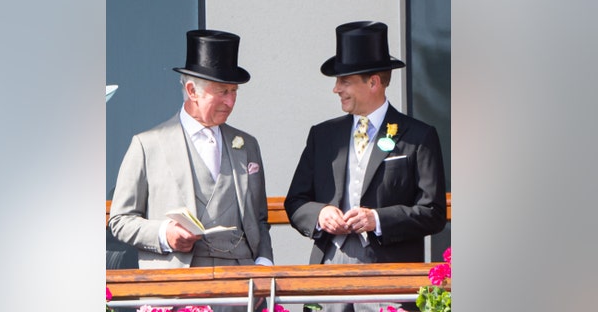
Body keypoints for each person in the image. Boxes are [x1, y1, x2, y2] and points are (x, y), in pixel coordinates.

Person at [284, 21, 447, 312]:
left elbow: (433, 213)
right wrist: (320, 214)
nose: (336, 89)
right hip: (328, 276)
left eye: (344, 81)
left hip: (391, 281)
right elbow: (295, 201)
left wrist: (378, 219)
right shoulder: (322, 136)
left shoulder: (419, 136)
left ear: (373, 82)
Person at [108, 29, 274, 312]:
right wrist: (164, 233)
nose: (230, 101)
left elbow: (259, 219)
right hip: (178, 285)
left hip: (242, 288)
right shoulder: (147, 145)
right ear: (191, 90)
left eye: (234, 91)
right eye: (222, 91)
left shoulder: (247, 145)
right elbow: (121, 220)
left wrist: (263, 266)